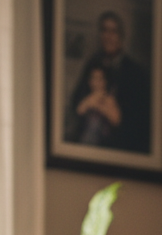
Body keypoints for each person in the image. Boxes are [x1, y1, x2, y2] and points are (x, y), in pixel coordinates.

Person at [66, 11, 150, 153]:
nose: (108, 36)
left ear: (121, 37)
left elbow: (139, 121)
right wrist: (88, 102)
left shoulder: (136, 72)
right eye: (104, 30)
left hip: (119, 147)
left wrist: (115, 116)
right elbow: (76, 100)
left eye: (113, 31)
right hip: (88, 142)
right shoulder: (92, 63)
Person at [73, 62, 121, 146]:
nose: (97, 82)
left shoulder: (109, 99)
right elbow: (79, 111)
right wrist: (90, 100)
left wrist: (100, 106)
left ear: (105, 81)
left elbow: (116, 120)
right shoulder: (87, 97)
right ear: (89, 81)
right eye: (94, 78)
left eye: (100, 79)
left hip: (103, 142)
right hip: (85, 140)